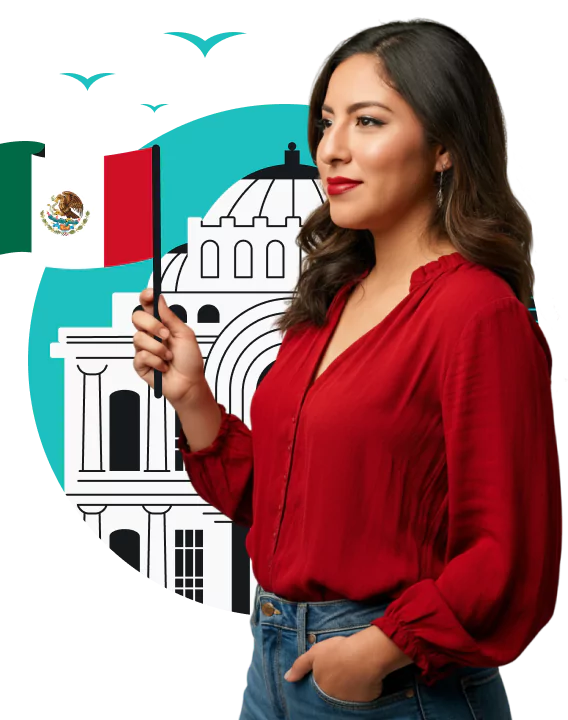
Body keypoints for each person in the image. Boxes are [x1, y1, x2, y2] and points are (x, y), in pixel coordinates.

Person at [132, 18, 562, 720]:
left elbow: (509, 549)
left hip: (392, 680)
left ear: (445, 146)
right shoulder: (326, 305)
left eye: (368, 121)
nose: (332, 148)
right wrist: (192, 395)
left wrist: (373, 654)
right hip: (271, 660)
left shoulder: (474, 313)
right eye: (327, 121)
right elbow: (284, 505)